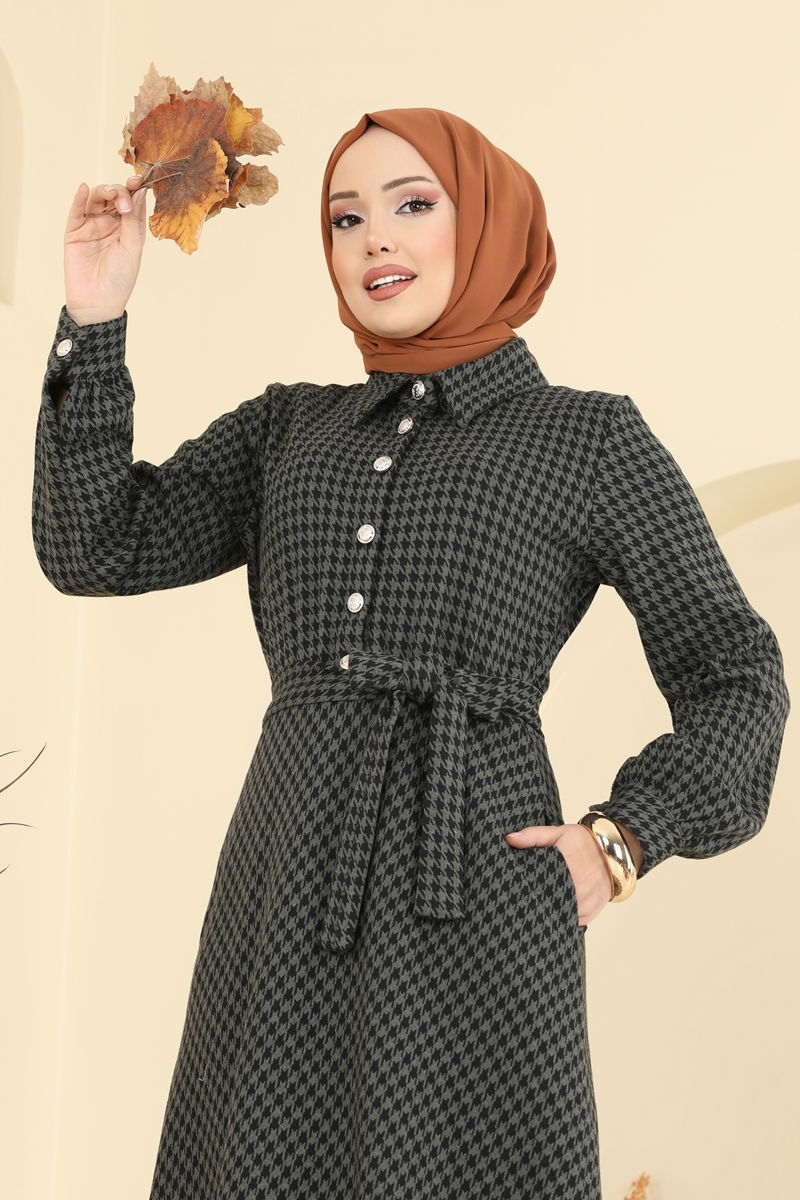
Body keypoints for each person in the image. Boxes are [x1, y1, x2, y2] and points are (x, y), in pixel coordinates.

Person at [32, 107, 790, 1199]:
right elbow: (93, 545)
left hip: (476, 886)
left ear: (484, 222)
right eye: (345, 218)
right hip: (285, 879)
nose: (373, 239)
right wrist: (94, 319)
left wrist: (618, 841)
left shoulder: (586, 438)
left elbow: (735, 674)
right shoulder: (289, 430)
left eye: (412, 204)